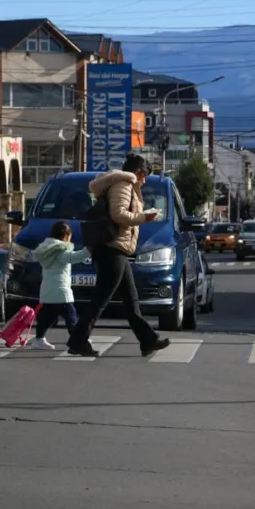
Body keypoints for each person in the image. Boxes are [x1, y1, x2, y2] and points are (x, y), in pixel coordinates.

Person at [66, 153, 171, 358]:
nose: (144, 181)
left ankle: (148, 340)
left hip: (117, 249)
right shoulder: (123, 185)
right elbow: (118, 214)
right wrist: (144, 217)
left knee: (131, 300)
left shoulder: (125, 185)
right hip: (111, 249)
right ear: (139, 173)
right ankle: (78, 340)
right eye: (144, 177)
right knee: (101, 299)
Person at [26, 221, 90, 350]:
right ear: (66, 236)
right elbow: (76, 257)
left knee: (47, 317)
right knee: (71, 317)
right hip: (61, 292)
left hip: (46, 291)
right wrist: (89, 248)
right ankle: (78, 340)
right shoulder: (60, 251)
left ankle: (39, 339)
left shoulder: (45, 250)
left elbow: (30, 256)